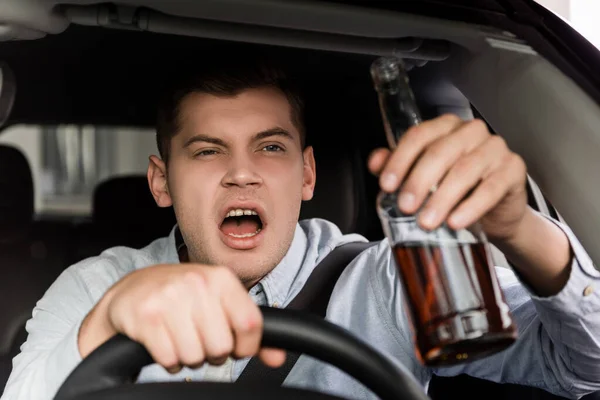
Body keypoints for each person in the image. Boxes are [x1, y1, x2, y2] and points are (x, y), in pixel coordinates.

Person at [3, 59, 600, 400]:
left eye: (269, 147)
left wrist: (520, 227)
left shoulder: (388, 280)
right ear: (161, 182)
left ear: (307, 173)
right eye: (208, 152)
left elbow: (584, 367)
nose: (241, 174)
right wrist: (108, 322)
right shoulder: (97, 288)